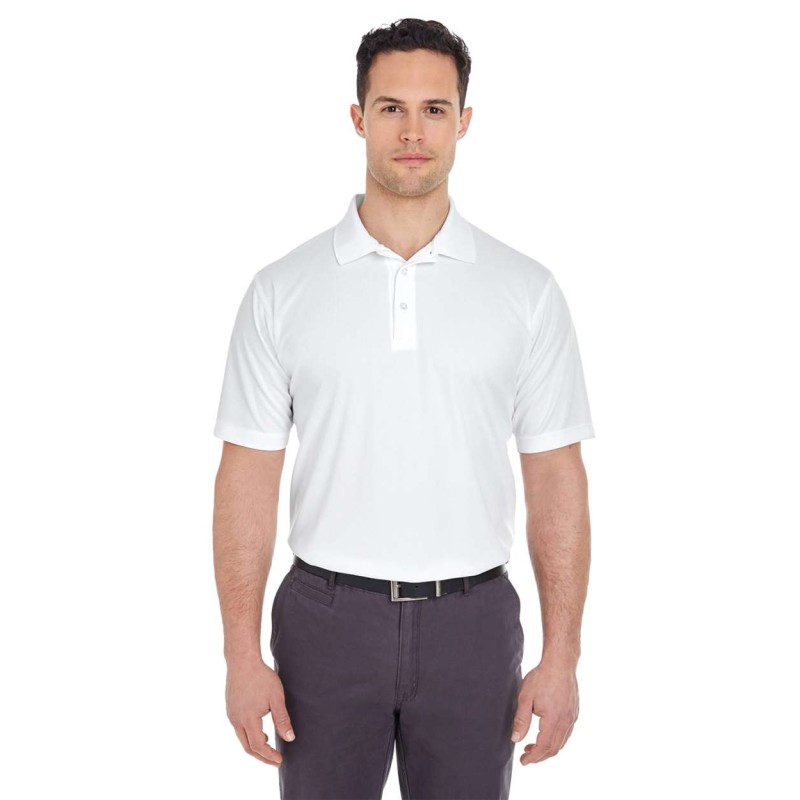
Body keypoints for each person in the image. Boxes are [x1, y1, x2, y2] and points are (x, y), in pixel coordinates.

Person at [212, 17, 595, 800]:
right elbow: (246, 478)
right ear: (359, 118)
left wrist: (563, 656)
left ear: (464, 121)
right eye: (391, 108)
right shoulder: (283, 290)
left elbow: (558, 478)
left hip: (473, 625)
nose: (413, 132)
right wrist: (240, 656)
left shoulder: (525, 292)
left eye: (433, 109)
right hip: (325, 623)